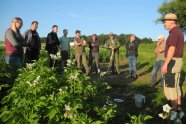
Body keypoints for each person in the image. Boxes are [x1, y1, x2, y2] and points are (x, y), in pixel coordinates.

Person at [161, 13, 184, 111]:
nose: (164, 24)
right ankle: (179, 109)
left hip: (172, 62)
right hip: (177, 61)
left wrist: (165, 64)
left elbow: (172, 49)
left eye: (165, 22)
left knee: (170, 87)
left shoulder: (174, 32)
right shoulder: (179, 31)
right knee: (176, 86)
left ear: (172, 21)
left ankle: (174, 114)